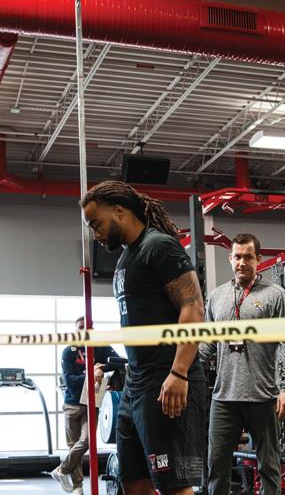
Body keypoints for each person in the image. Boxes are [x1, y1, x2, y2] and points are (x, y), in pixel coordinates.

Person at [80, 181, 206, 495]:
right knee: (133, 482)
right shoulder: (126, 259)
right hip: (136, 384)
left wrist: (178, 372)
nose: (94, 233)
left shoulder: (158, 245)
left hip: (168, 379)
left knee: (174, 484)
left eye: (96, 224)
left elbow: (193, 306)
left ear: (119, 212)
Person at [199, 233, 285, 495]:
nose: (242, 262)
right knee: (216, 466)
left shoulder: (275, 295)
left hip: (263, 395)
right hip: (224, 396)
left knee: (269, 466)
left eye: (248, 257)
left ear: (258, 259)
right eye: (237, 257)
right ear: (229, 259)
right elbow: (206, 344)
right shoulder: (217, 296)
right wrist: (181, 373)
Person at [51, 316, 121, 494]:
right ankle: (78, 487)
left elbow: (119, 361)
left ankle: (61, 470)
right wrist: (91, 373)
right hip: (72, 404)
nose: (83, 330)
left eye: (87, 327)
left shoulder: (101, 347)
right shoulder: (69, 352)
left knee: (87, 441)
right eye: (80, 327)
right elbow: (70, 380)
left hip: (92, 403)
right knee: (74, 445)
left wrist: (101, 368)